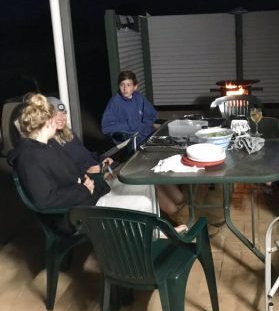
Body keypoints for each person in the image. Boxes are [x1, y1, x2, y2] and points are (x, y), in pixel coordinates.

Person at [8, 94, 187, 233]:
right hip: (76, 211)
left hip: (87, 194)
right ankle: (156, 236)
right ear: (47, 122)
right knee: (141, 201)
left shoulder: (48, 145)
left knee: (143, 187)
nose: (58, 122)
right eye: (54, 118)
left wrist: (85, 180)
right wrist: (84, 188)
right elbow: (44, 200)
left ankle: (159, 230)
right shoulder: (30, 157)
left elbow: (70, 171)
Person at [47, 96, 186, 218]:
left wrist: (102, 159)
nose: (61, 118)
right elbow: (69, 175)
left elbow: (88, 155)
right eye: (56, 115)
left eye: (64, 113)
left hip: (106, 168)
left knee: (151, 168)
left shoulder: (68, 135)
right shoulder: (49, 146)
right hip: (99, 178)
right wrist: (92, 172)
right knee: (144, 177)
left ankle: (181, 204)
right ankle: (177, 213)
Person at [101, 70, 157, 148]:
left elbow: (151, 115)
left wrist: (144, 127)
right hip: (127, 139)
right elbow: (106, 128)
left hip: (143, 134)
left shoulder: (138, 97)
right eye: (122, 85)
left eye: (128, 85)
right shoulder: (114, 102)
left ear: (135, 87)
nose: (125, 88)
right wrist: (131, 126)